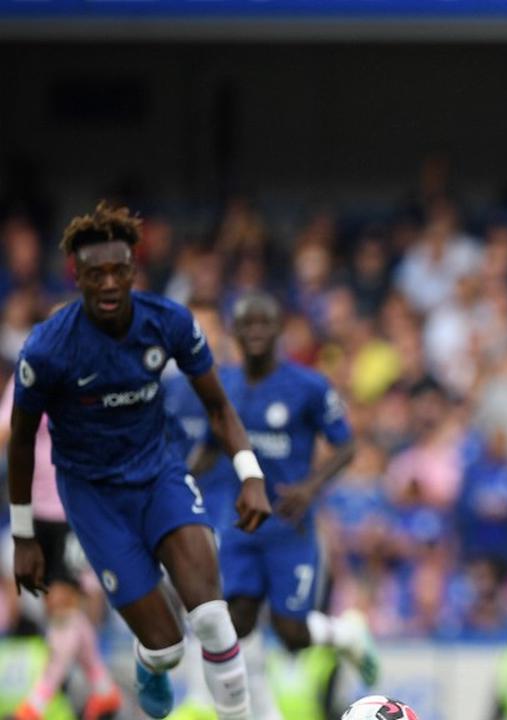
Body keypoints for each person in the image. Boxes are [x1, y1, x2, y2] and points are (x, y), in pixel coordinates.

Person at [7, 202, 272, 720]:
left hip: (159, 476)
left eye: (118, 270)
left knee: (213, 619)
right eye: (95, 273)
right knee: (168, 648)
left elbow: (219, 407)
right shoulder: (48, 349)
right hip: (94, 497)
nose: (108, 283)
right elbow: (19, 442)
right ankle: (151, 660)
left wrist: (251, 474)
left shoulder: (168, 322)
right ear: (77, 277)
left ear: (134, 271)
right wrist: (23, 536)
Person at [186, 292, 379, 720]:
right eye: (247, 324)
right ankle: (264, 714)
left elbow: (346, 446)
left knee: (290, 632)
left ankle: (347, 634)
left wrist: (310, 487)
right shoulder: (223, 383)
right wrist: (180, 483)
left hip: (289, 527)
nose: (255, 332)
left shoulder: (308, 386)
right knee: (236, 623)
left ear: (279, 330)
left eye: (264, 324)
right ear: (235, 332)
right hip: (239, 525)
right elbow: (211, 446)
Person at [1, 372, 121, 720]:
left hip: (75, 509)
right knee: (59, 613)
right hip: (35, 511)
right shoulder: (27, 375)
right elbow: (6, 428)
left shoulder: (88, 375)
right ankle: (104, 690)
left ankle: (36, 705)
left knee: (64, 604)